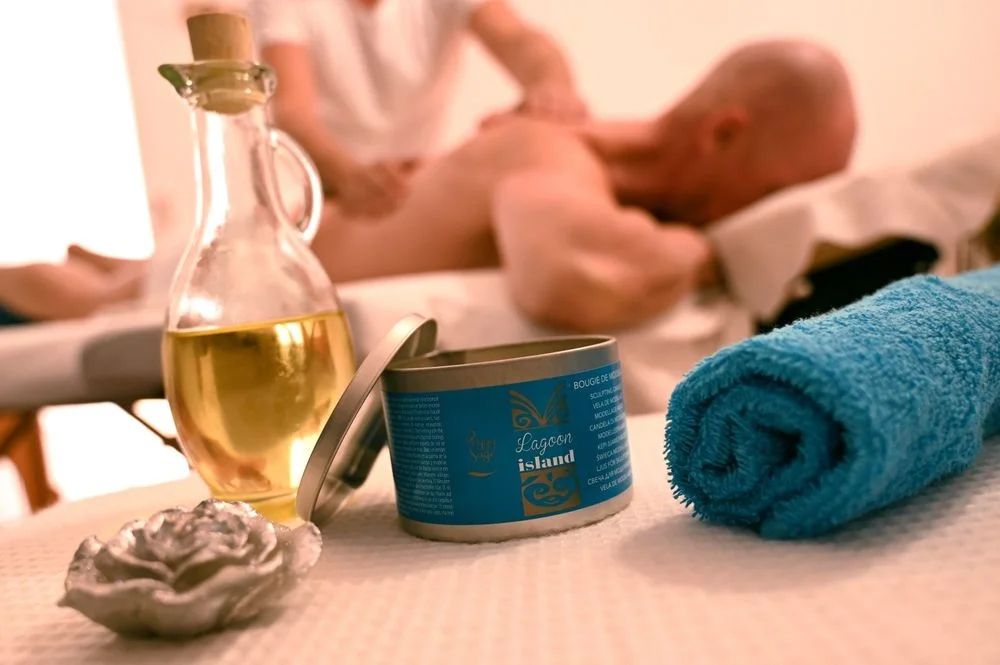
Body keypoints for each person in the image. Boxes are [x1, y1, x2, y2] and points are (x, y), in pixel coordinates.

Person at [309, 40, 858, 331]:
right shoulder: (544, 150)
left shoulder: (583, 175)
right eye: (774, 195)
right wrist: (703, 251)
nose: (767, 216)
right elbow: (569, 280)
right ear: (723, 134)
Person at [250, 0, 586, 218]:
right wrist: (349, 176)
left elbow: (519, 39)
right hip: (328, 194)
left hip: (412, 182)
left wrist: (551, 86)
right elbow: (293, 111)